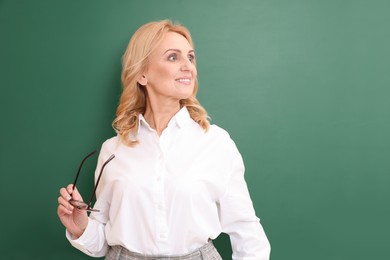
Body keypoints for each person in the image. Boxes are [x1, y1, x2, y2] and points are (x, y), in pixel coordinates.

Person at [57, 19, 271, 260]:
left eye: (190, 57)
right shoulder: (113, 150)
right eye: (173, 57)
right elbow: (101, 245)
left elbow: (248, 234)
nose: (188, 66)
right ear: (142, 74)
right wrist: (81, 227)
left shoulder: (216, 143)